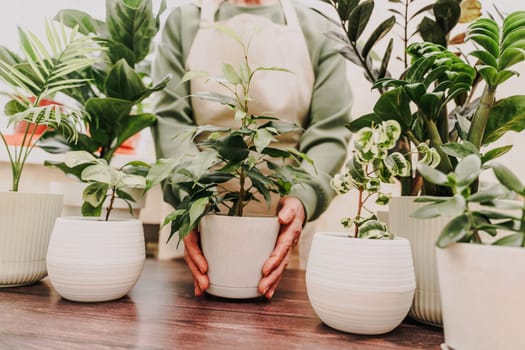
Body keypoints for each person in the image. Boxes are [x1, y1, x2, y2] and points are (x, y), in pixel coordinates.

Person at [151, 0, 352, 299]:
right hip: (197, 219)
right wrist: (187, 198)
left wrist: (304, 196)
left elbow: (330, 129)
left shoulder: (320, 27)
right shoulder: (184, 21)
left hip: (285, 231)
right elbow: (170, 121)